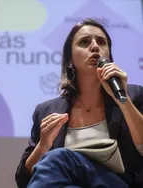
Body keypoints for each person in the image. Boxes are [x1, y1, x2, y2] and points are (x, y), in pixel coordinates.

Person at [15, 18, 143, 188]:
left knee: (59, 157)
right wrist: (43, 145)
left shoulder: (133, 96)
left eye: (101, 42)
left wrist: (123, 100)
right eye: (84, 42)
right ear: (69, 60)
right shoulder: (46, 110)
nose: (95, 46)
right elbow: (24, 179)